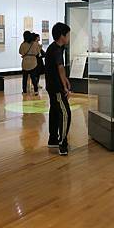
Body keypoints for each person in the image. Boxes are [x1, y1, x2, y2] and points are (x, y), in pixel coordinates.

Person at [45, 22, 71, 156]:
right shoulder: (56, 49)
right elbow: (60, 67)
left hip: (51, 86)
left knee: (55, 111)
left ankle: (53, 139)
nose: (69, 37)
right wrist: (65, 87)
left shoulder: (54, 48)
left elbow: (59, 68)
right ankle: (62, 143)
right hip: (56, 88)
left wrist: (65, 79)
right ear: (62, 36)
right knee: (65, 113)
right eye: (68, 35)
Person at [19, 31, 40, 95]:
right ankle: (36, 91)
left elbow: (20, 52)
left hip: (25, 62)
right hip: (33, 62)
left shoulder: (23, 44)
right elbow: (38, 52)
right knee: (33, 77)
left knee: (24, 78)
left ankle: (24, 91)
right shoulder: (35, 44)